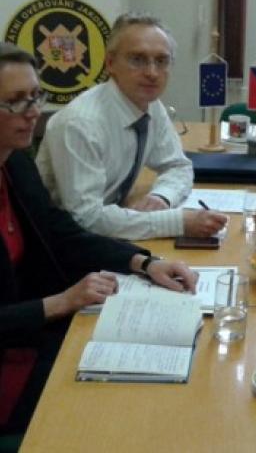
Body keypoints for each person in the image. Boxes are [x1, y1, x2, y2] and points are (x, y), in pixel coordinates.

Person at [0, 44, 198, 435]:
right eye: (15, 101)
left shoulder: (14, 162)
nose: (33, 112)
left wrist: (144, 262)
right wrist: (60, 302)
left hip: (33, 335)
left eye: (36, 96)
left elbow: (61, 232)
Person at [36, 12, 227, 240]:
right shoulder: (80, 123)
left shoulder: (151, 105)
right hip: (58, 242)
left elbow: (178, 166)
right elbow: (86, 218)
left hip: (109, 231)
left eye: (161, 61)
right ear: (110, 63)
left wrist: (162, 197)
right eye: (137, 59)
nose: (152, 73)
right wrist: (178, 222)